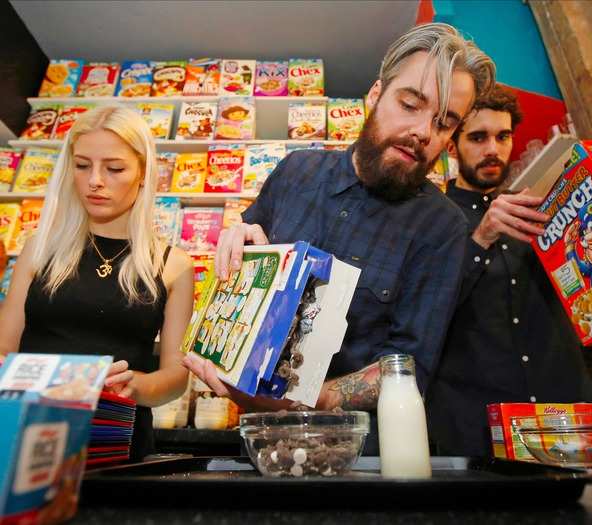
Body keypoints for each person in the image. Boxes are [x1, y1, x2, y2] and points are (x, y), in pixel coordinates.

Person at [183, 23, 496, 452]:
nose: (424, 131)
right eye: (410, 104)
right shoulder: (296, 172)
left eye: (444, 123)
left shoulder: (442, 226)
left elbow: (410, 367)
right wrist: (236, 247)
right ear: (375, 95)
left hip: (358, 460)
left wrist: (306, 397)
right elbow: (247, 259)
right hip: (258, 446)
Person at [0, 106, 194, 460]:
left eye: (114, 168)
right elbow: (4, 349)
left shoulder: (173, 265)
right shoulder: (40, 248)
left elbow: (175, 377)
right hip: (26, 440)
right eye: (82, 165)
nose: (95, 181)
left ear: (143, 173)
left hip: (116, 444)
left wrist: (135, 384)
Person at [426, 85, 592, 457]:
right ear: (452, 147)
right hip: (474, 425)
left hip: (564, 413)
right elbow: (427, 313)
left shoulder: (547, 208)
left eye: (503, 136)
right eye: (478, 137)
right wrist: (481, 237)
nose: (493, 149)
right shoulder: (430, 221)